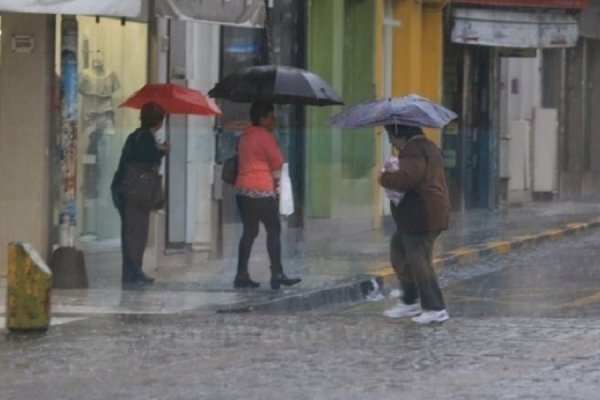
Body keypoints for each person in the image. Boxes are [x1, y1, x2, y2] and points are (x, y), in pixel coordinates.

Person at [378, 124, 451, 324]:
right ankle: (409, 301)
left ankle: (435, 308)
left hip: (423, 215)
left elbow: (407, 178)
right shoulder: (426, 147)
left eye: (391, 136)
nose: (391, 141)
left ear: (401, 134)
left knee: (418, 260)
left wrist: (384, 176)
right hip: (420, 215)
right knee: (400, 252)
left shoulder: (414, 150)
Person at [234, 101, 301, 290]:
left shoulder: (244, 136)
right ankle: (277, 273)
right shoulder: (265, 137)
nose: (275, 120)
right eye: (271, 116)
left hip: (242, 190)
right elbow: (277, 161)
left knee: (249, 231)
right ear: (262, 118)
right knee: (273, 229)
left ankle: (241, 273)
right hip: (261, 190)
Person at [111, 102, 170, 285]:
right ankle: (134, 272)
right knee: (136, 233)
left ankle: (131, 272)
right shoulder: (145, 138)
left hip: (125, 190)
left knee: (132, 232)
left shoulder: (136, 136)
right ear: (159, 122)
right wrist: (163, 151)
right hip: (134, 192)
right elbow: (146, 159)